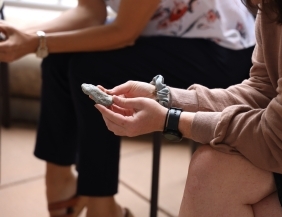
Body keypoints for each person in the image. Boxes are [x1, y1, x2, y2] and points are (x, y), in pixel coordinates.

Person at [0, 0, 256, 216]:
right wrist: (26, 37)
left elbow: (124, 32)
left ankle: (102, 207)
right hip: (162, 32)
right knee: (56, 58)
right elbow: (90, 12)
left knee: (92, 71)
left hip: (222, 48)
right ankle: (60, 185)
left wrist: (34, 43)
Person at [94, 0, 282, 216]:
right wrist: (165, 97)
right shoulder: (273, 6)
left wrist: (172, 120)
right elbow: (263, 89)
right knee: (212, 172)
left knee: (212, 174)